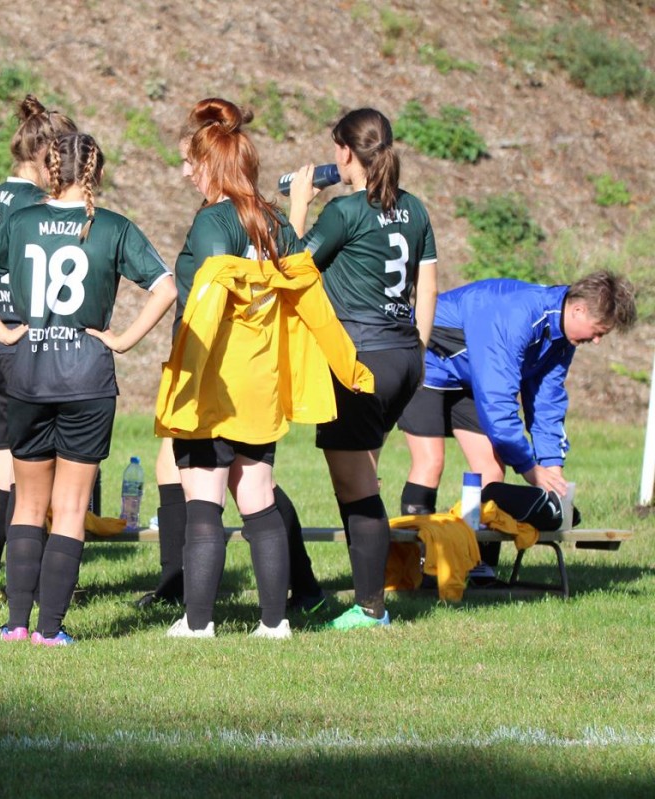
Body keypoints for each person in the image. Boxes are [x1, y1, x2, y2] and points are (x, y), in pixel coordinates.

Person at [156, 98, 369, 639]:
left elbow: (208, 301)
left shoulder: (212, 221)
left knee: (203, 501)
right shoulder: (275, 221)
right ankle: (274, 623)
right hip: (261, 380)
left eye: (191, 164)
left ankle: (197, 624)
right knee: (258, 497)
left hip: (215, 378)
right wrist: (348, 364)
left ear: (213, 166)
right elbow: (307, 291)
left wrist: (184, 377)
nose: (186, 173)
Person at [0, 132, 176, 645]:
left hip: (28, 375)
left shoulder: (23, 221)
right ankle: (50, 630)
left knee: (28, 505)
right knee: (72, 509)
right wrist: (121, 340)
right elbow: (165, 288)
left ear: (49, 170)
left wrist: (2, 331)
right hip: (87, 378)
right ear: (96, 172)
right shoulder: (112, 225)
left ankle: (16, 624)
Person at [289, 107, 438, 630]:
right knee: (361, 476)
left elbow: (292, 269)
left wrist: (299, 206)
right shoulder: (414, 208)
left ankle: (372, 608)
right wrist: (417, 352)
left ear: (346, 153)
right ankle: (368, 594)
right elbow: (428, 286)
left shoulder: (345, 212)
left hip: (360, 360)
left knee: (357, 487)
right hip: (405, 358)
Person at [398, 271, 636, 575]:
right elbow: (498, 401)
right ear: (578, 309)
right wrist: (528, 467)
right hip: (426, 364)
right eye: (598, 330)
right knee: (431, 462)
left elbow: (547, 401)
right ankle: (419, 569)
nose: (598, 340)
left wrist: (551, 466)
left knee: (491, 470)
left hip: (469, 377)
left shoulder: (562, 338)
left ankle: (480, 568)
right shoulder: (516, 316)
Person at [0, 95, 77, 612]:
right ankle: (30, 587)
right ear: (48, 154)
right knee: (36, 474)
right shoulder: (38, 207)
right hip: (29, 341)